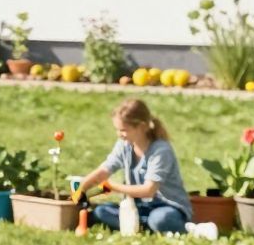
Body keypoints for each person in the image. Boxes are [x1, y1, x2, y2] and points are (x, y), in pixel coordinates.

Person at [75, 97, 212, 237]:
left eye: (123, 130)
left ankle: (189, 228)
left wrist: (113, 187)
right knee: (101, 212)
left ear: (141, 127)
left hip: (167, 207)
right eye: (117, 130)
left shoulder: (160, 150)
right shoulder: (124, 145)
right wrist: (80, 189)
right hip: (139, 207)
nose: (119, 135)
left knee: (160, 220)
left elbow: (149, 190)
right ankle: (142, 226)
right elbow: (104, 170)